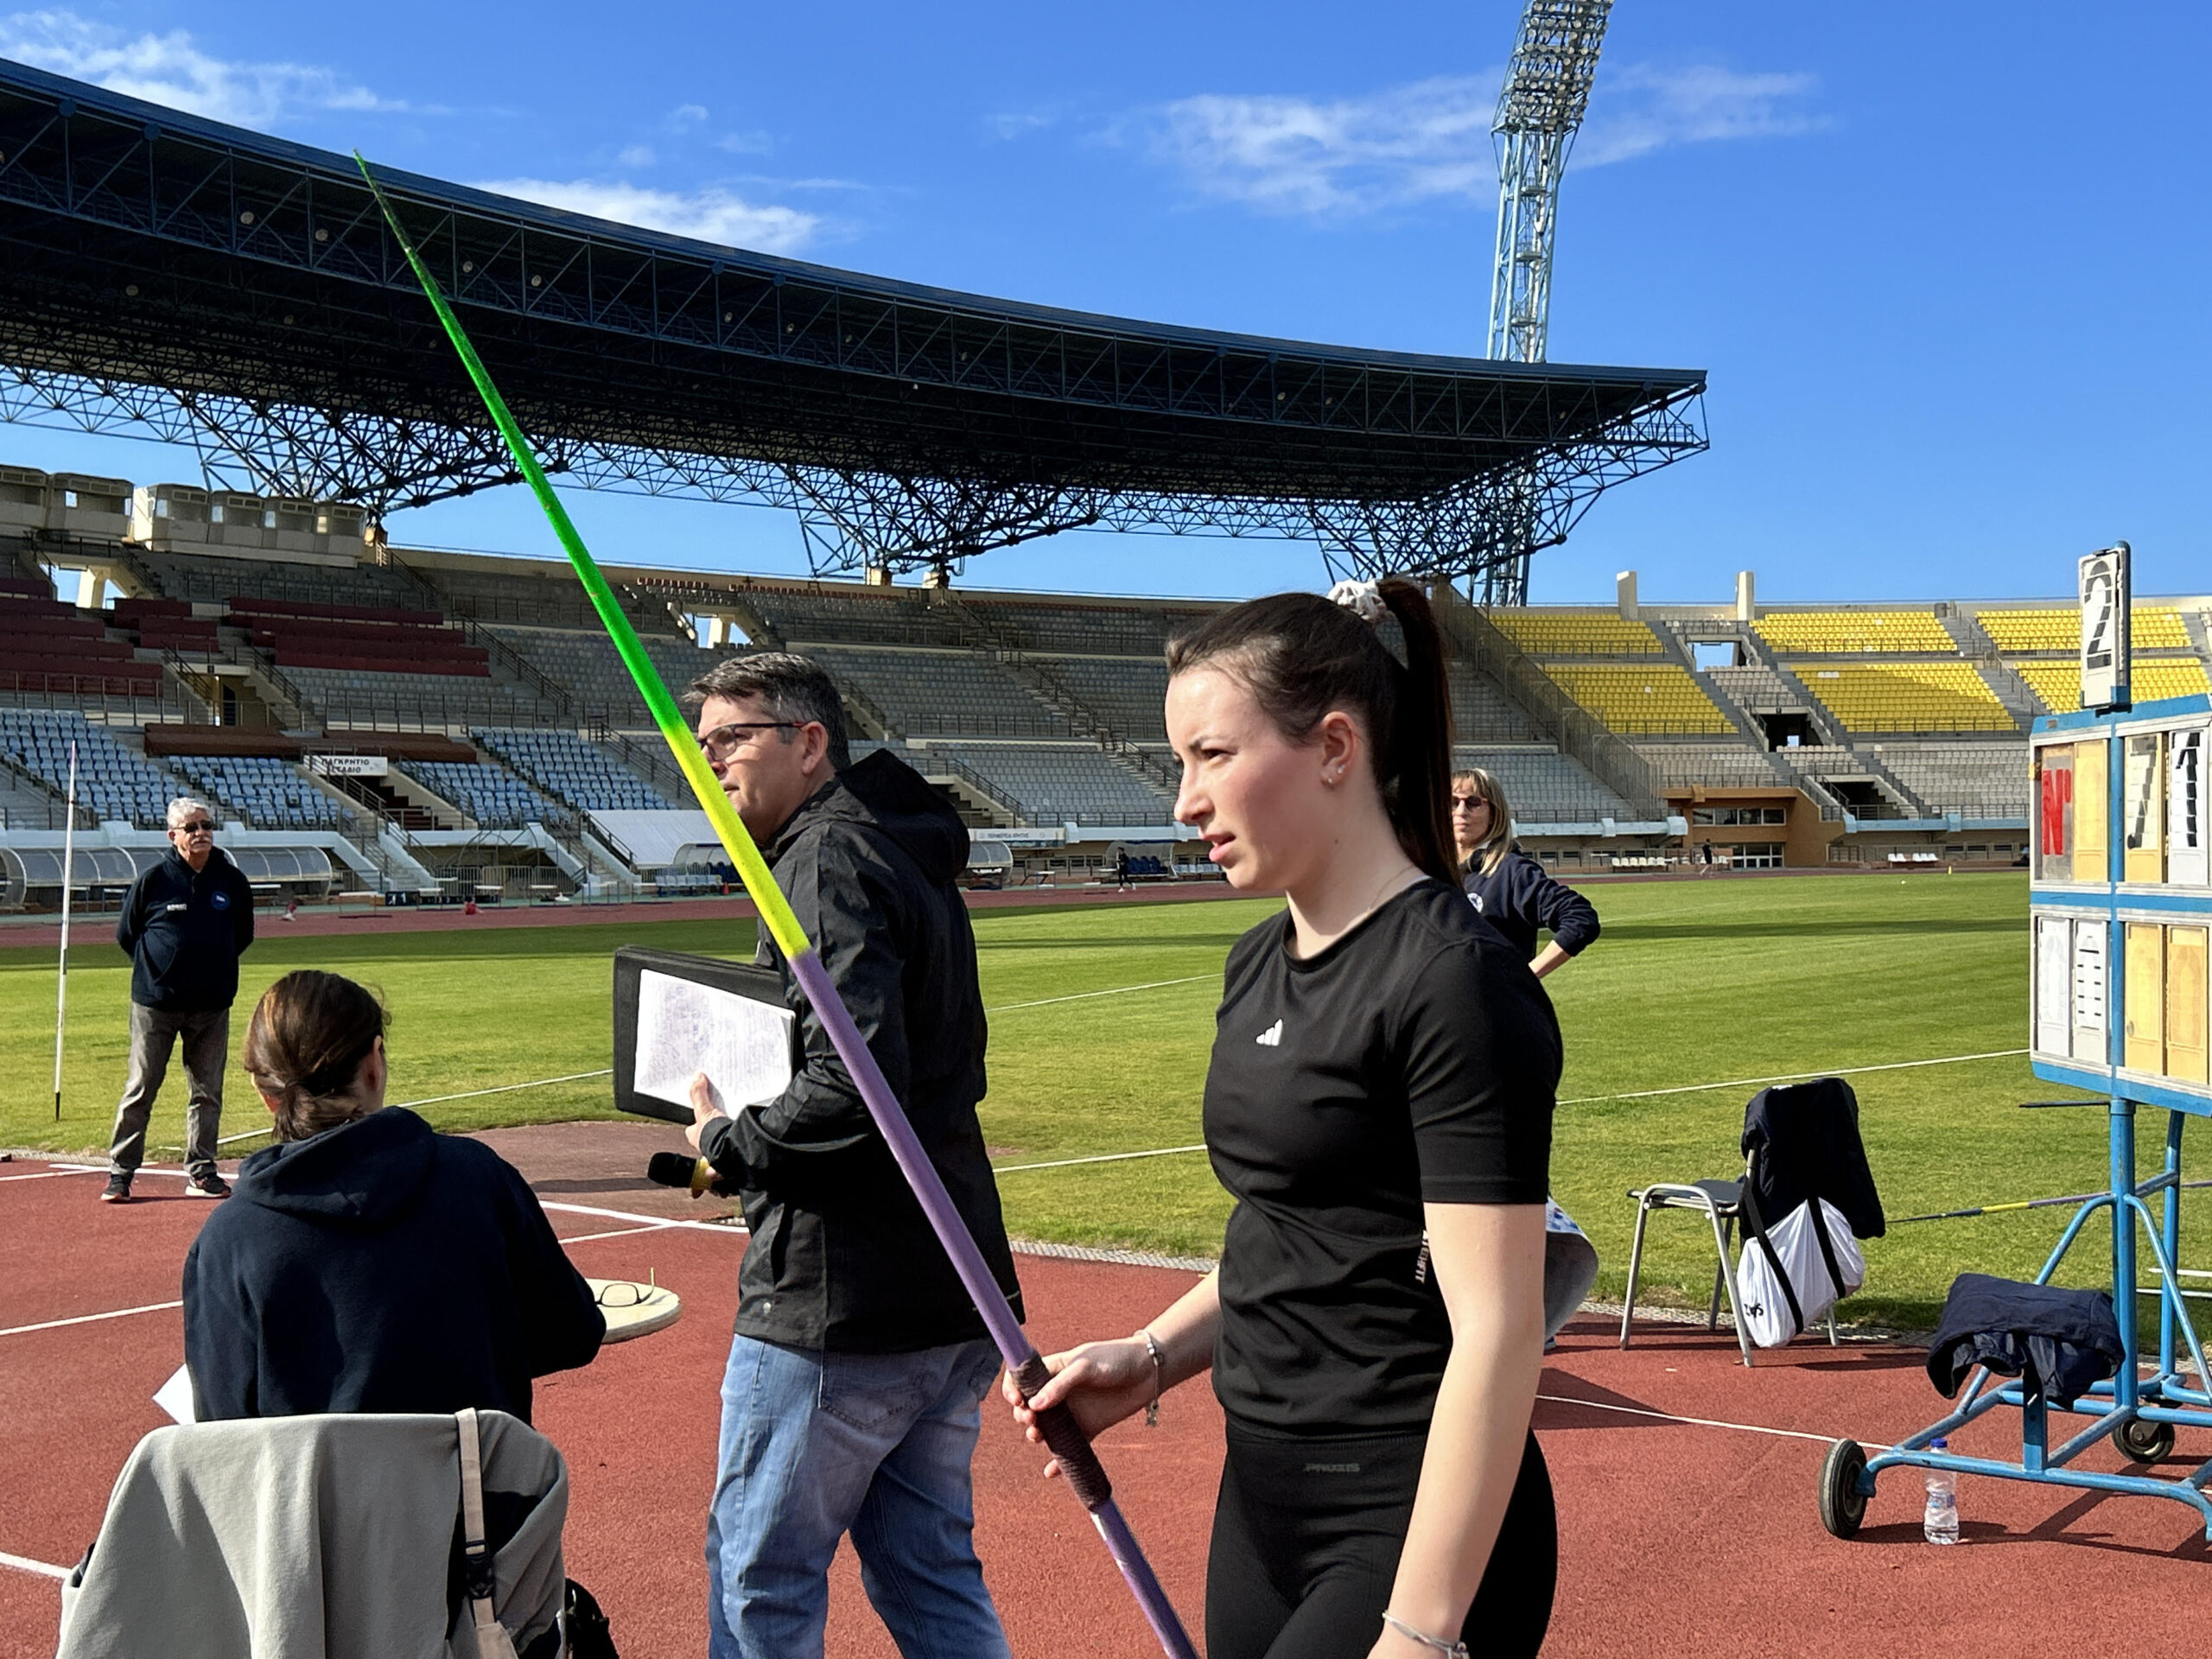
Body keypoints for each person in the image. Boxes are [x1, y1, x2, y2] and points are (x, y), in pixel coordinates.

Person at [1010, 580, 1560, 1659]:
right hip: (1258, 1501)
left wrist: (1422, 1630)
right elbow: (1297, 1228)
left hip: (1405, 1515)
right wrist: (1154, 1353)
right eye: (1180, 764)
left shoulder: (1454, 980)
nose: (1182, 801)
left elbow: (1498, 1330)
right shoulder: (1255, 961)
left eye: (1211, 757)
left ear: (1333, 747)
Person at [682, 652, 1023, 1659]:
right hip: (948, 1280)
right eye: (701, 749)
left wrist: (724, 1144)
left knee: (761, 1577)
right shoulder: (893, 845)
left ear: (810, 741)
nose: (713, 765)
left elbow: (852, 1088)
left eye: (732, 739)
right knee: (929, 1574)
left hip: (840, 1299)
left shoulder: (826, 860)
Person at [181, 969, 604, 1421]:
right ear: (374, 1063)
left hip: (314, 1492)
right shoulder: (480, 1177)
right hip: (478, 1487)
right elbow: (573, 1334)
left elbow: (221, 1425)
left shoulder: (228, 1241)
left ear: (265, 1093)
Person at [103, 797, 256, 1204]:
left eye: (206, 825)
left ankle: (202, 1170)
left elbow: (243, 935)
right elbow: (127, 935)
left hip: (211, 1006)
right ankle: (120, 1172)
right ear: (174, 836)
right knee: (142, 1087)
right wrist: (161, 971)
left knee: (207, 1091)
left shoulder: (232, 881)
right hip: (156, 1006)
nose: (201, 833)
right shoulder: (153, 881)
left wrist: (213, 969)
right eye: (192, 828)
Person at [1449, 766, 1599, 980]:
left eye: (1473, 803)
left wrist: (1525, 978)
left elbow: (1580, 917)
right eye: (1453, 802)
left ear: (1494, 813)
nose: (1461, 811)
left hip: (1494, 1010)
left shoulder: (1511, 871)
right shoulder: (1433, 872)